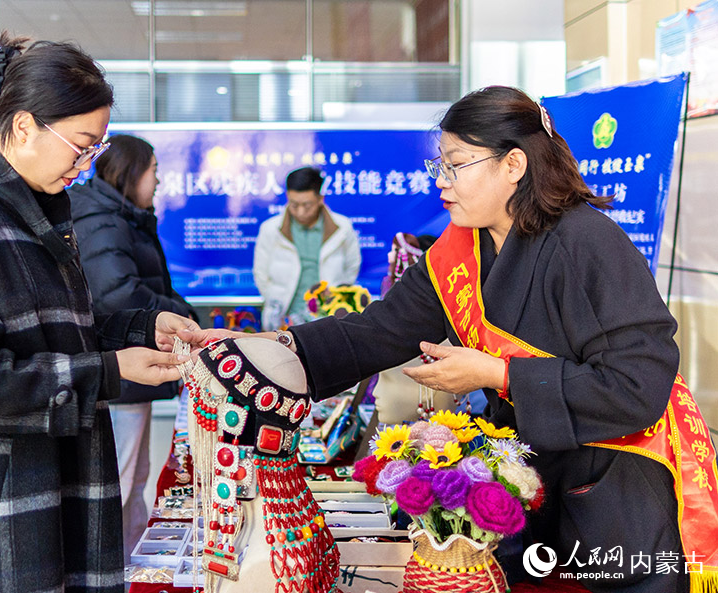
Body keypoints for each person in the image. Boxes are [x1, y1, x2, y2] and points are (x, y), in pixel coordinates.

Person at [188, 86, 718, 593]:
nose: (440, 181)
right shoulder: (459, 249)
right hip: (534, 480)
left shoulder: (590, 243)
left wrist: (497, 375)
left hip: (617, 483)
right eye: (439, 164)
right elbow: (376, 331)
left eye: (456, 164)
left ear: (514, 166)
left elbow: (636, 384)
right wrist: (267, 349)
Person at [0, 33, 202, 593]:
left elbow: (53, 331)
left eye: (94, 150)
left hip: (46, 478)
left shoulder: (36, 211)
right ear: (24, 125)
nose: (85, 164)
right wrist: (109, 370)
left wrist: (141, 327)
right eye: (80, 145)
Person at [69, 134, 198, 565]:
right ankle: (111, 569)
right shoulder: (102, 219)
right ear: (130, 173)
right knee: (120, 479)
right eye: (153, 170)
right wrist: (182, 314)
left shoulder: (122, 216)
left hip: (132, 366)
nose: (158, 181)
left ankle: (132, 565)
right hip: (121, 367)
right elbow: (118, 295)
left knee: (135, 475)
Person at [253, 166, 361, 330]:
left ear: (320, 199)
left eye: (307, 205)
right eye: (294, 205)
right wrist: (275, 301)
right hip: (283, 319)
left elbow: (352, 268)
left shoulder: (342, 228)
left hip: (327, 320)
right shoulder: (270, 229)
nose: (301, 212)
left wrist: (336, 299)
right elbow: (261, 273)